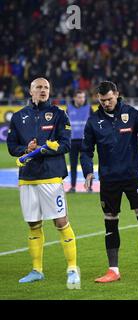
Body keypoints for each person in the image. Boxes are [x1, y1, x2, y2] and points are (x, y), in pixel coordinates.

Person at [80, 81, 138, 283]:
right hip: (109, 180)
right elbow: (86, 151)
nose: (106, 103)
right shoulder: (93, 121)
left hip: (134, 178)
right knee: (110, 224)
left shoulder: (132, 114)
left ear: (117, 94)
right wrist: (88, 172)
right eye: (102, 100)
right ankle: (113, 270)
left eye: (109, 99)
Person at [7, 77, 80, 289]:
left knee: (60, 222)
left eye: (46, 87)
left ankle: (73, 268)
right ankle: (37, 270)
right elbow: (12, 146)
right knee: (33, 224)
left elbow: (66, 144)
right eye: (38, 87)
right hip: (27, 177)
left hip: (51, 177)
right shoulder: (19, 117)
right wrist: (25, 150)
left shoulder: (59, 114)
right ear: (30, 91)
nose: (43, 90)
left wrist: (45, 149)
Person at [66, 90, 92, 193]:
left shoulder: (89, 109)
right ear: (75, 98)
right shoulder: (69, 109)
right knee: (73, 165)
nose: (82, 99)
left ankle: (89, 187)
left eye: (83, 97)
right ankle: (73, 187)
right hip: (72, 141)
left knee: (87, 164)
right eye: (79, 97)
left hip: (85, 141)